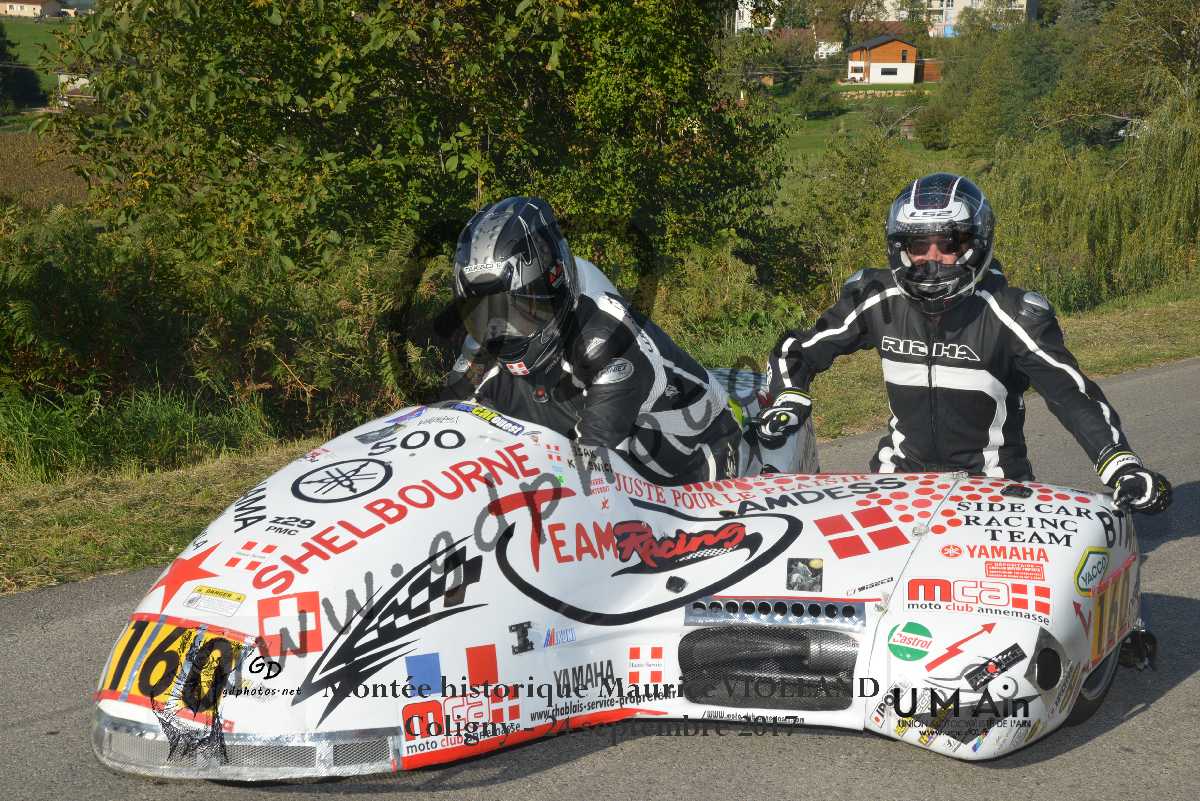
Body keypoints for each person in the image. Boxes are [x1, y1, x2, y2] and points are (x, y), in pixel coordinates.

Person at [754, 173, 1171, 514]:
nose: (932, 257)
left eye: (949, 243)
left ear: (975, 243)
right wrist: (789, 396)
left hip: (994, 493)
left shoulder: (1014, 314)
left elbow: (1073, 397)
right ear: (901, 248)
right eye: (918, 245)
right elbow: (796, 351)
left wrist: (1122, 467)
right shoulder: (877, 298)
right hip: (896, 484)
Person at [445, 196, 742, 484]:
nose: (501, 329)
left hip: (696, 458)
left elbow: (592, 474)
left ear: (555, 285)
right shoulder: (485, 345)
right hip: (595, 437)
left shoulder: (607, 342)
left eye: (519, 310)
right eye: (484, 313)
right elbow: (445, 424)